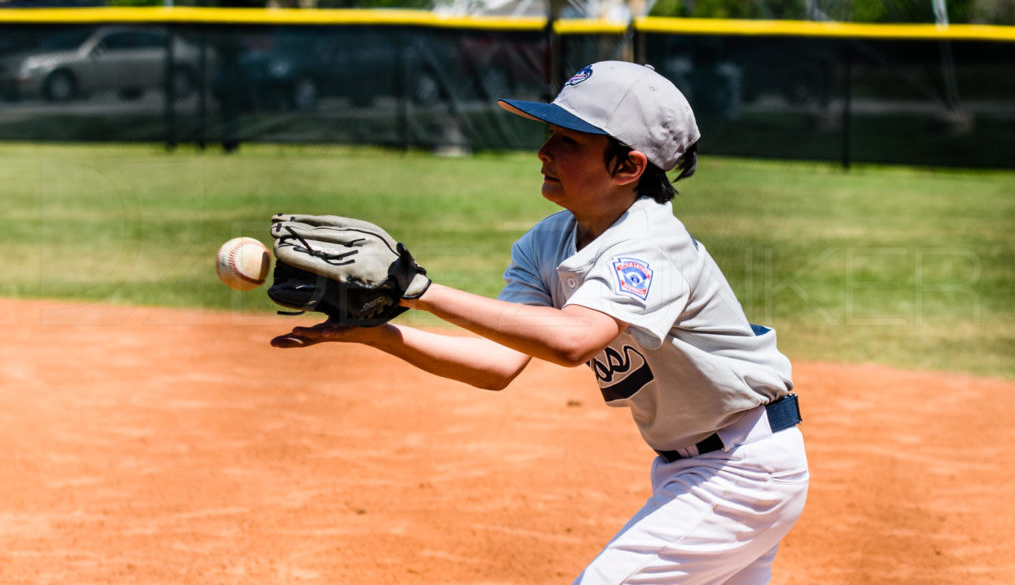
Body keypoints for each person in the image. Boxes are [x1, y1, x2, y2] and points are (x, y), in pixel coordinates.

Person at [272, 60, 809, 583]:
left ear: (628, 167)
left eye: (569, 142)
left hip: (742, 469)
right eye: (550, 133)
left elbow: (575, 340)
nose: (543, 151)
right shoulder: (548, 242)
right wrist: (378, 333)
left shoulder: (650, 245)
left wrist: (420, 292)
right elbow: (497, 365)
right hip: (693, 469)